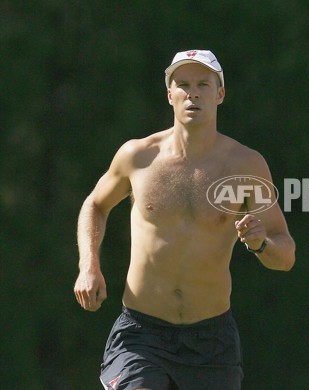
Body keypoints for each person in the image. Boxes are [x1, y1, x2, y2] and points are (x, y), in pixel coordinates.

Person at [74, 49, 295, 390]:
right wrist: (89, 265)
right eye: (183, 84)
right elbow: (95, 205)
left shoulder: (246, 166)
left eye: (203, 84)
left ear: (219, 94)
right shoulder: (139, 155)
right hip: (141, 335)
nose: (193, 93)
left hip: (211, 341)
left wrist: (261, 243)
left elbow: (286, 255)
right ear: (169, 94)